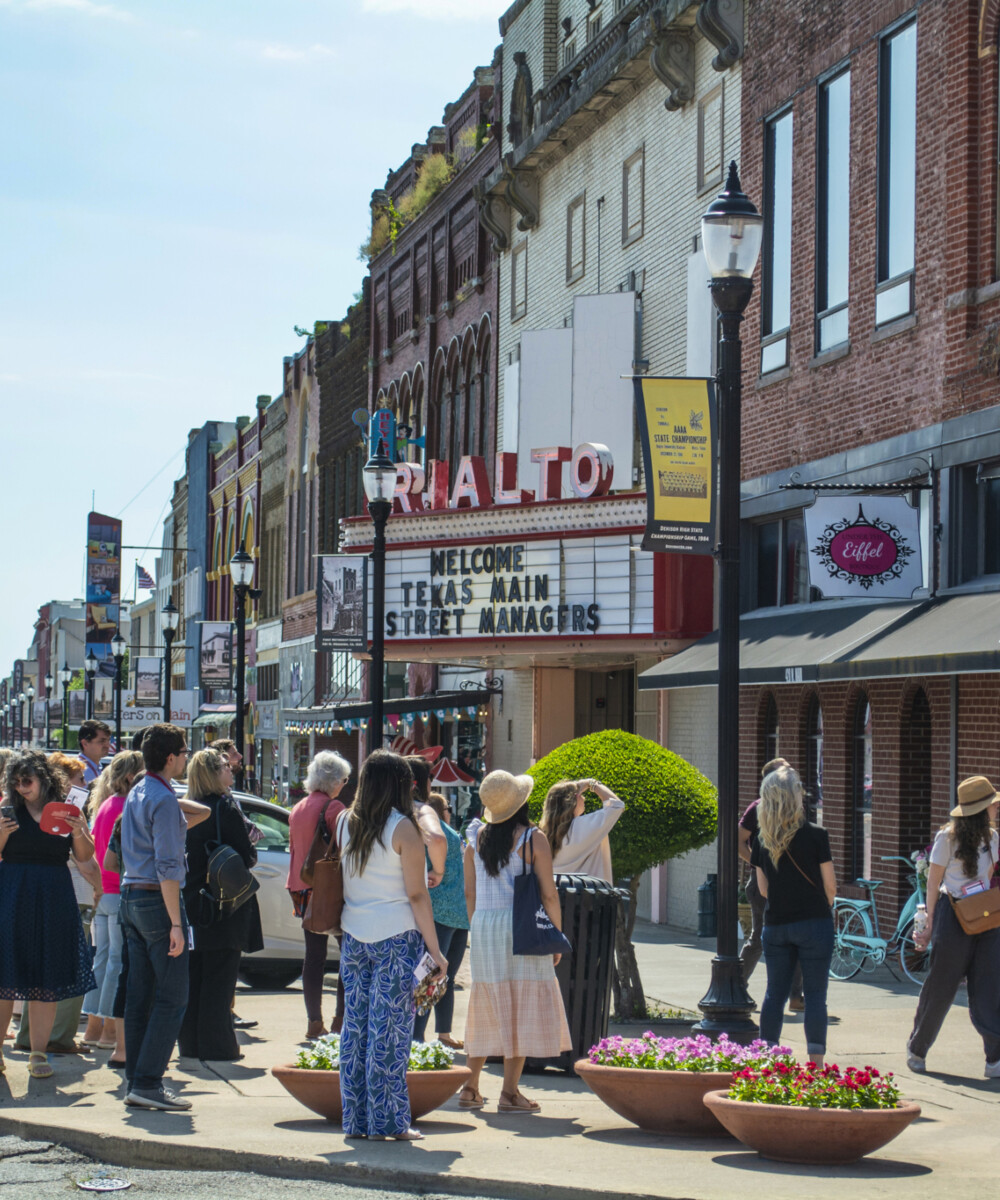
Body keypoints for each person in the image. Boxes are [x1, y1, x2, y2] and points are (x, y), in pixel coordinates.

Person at [337, 750, 447, 1141]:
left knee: (356, 1030)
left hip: (354, 937)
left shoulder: (344, 822)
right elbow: (418, 896)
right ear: (404, 785)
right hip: (397, 939)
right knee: (390, 1034)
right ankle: (391, 1122)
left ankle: (356, 1121)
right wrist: (436, 951)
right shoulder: (404, 829)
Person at [462, 769, 571, 1114]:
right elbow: (549, 894)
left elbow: (469, 892)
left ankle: (470, 1087)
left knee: (488, 1003)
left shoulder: (475, 837)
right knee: (521, 1003)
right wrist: (555, 936)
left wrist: (477, 928)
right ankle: (509, 1092)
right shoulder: (532, 838)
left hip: (484, 924)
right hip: (521, 924)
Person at [119, 723, 209, 1111]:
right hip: (157, 902)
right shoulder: (161, 797)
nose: (186, 758)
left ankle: (138, 1080)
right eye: (184, 752)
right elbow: (169, 868)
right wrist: (176, 923)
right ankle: (149, 1081)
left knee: (141, 994)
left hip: (130, 897)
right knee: (173, 996)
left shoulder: (139, 791)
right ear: (170, 758)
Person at [0, 751, 97, 1079]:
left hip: (54, 894)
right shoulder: (7, 811)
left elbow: (84, 856)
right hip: (12, 893)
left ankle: (38, 1054)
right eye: (16, 782)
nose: (22, 787)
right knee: (5, 979)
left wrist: (79, 828)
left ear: (44, 778)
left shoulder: (64, 810)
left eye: (27, 781)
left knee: (47, 979)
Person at [907, 775, 1000, 1077]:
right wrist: (929, 924)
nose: (996, 809)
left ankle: (994, 1059)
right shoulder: (946, 838)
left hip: (986, 913)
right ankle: (918, 1049)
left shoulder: (994, 838)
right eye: (992, 805)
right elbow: (933, 884)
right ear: (981, 810)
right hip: (952, 911)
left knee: (989, 986)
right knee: (941, 986)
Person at [179, 749, 262, 1061]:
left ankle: (190, 1044)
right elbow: (246, 854)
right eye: (227, 766)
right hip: (223, 902)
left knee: (194, 975)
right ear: (215, 774)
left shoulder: (187, 808)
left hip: (191, 899)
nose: (232, 770)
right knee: (220, 978)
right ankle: (218, 1047)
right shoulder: (225, 807)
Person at [751, 765, 836, 1067]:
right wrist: (820, 907)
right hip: (814, 923)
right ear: (793, 796)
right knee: (815, 995)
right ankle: (815, 1064)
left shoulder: (761, 841)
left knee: (775, 993)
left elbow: (763, 890)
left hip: (776, 926)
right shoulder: (816, 835)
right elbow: (830, 885)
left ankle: (768, 1061)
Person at [79, 751, 144, 1063]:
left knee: (102, 960)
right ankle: (107, 1031)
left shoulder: (105, 804)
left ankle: (93, 1028)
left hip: (102, 891)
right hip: (117, 890)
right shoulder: (126, 805)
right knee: (116, 962)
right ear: (132, 776)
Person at [287, 750, 352, 1040]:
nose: (345, 785)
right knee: (348, 953)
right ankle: (340, 1019)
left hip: (301, 888)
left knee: (313, 956)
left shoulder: (299, 807)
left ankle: (314, 1022)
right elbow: (347, 847)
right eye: (344, 779)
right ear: (334, 781)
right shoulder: (333, 807)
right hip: (328, 890)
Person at [739, 757, 804, 1011]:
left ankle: (795, 997)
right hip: (763, 885)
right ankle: (737, 987)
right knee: (760, 939)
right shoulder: (758, 808)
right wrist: (760, 865)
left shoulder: (797, 807)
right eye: (786, 772)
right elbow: (739, 840)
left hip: (793, 885)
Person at [413, 791, 469, 1049]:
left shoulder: (447, 832)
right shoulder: (431, 832)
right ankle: (417, 1036)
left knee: (444, 976)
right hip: (441, 912)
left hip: (454, 913)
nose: (450, 809)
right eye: (447, 806)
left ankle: (443, 1032)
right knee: (433, 975)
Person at [539, 777, 624, 882]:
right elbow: (616, 805)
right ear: (572, 800)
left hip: (554, 894)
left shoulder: (543, 836)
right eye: (581, 795)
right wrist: (592, 784)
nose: (584, 799)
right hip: (588, 895)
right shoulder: (583, 827)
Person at [78, 720, 112, 784]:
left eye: (108, 740)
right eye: (102, 741)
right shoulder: (79, 772)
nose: (108, 745)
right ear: (85, 743)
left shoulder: (97, 767)